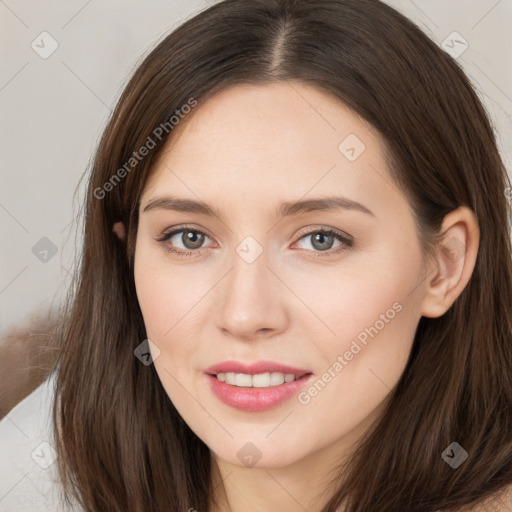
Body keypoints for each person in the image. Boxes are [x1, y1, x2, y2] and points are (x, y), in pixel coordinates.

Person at [1, 0, 511, 511]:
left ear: (443, 266)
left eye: (321, 239)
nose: (245, 314)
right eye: (189, 237)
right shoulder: (30, 473)